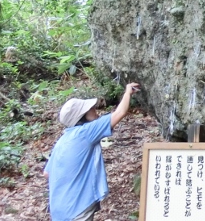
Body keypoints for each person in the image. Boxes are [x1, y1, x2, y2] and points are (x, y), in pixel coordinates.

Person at [44, 82, 140, 221]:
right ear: (81, 116)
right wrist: (127, 93)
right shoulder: (86, 132)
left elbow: (47, 173)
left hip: (58, 208)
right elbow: (119, 113)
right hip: (77, 207)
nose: (94, 109)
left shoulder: (63, 139)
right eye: (90, 108)